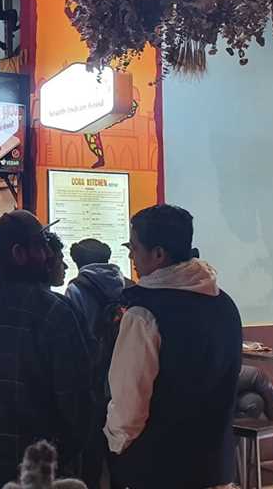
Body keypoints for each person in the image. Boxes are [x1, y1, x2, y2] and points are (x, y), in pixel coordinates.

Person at [0, 210, 94, 489]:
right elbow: (77, 404)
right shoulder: (54, 312)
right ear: (19, 253)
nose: (49, 256)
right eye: (41, 247)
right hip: (37, 474)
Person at [105, 204, 242, 489]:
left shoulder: (144, 314)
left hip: (160, 468)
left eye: (134, 247)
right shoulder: (225, 304)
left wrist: (113, 444)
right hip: (215, 467)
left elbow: (130, 406)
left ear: (158, 254)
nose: (131, 256)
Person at [65, 239, 125, 489]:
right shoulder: (125, 284)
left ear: (78, 263)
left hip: (91, 378)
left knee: (91, 453)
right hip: (120, 375)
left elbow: (73, 337)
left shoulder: (76, 289)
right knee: (118, 450)